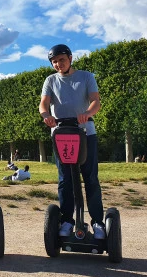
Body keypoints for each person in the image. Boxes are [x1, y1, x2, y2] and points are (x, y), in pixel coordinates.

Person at [39, 44, 106, 240]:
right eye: (54, 61)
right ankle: (67, 220)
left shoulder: (86, 77)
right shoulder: (50, 80)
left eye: (62, 60)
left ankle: (97, 221)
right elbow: (44, 103)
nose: (58, 64)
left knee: (90, 178)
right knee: (65, 179)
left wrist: (87, 113)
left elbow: (95, 101)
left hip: (85, 133)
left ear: (70, 59)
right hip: (61, 134)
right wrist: (45, 115)